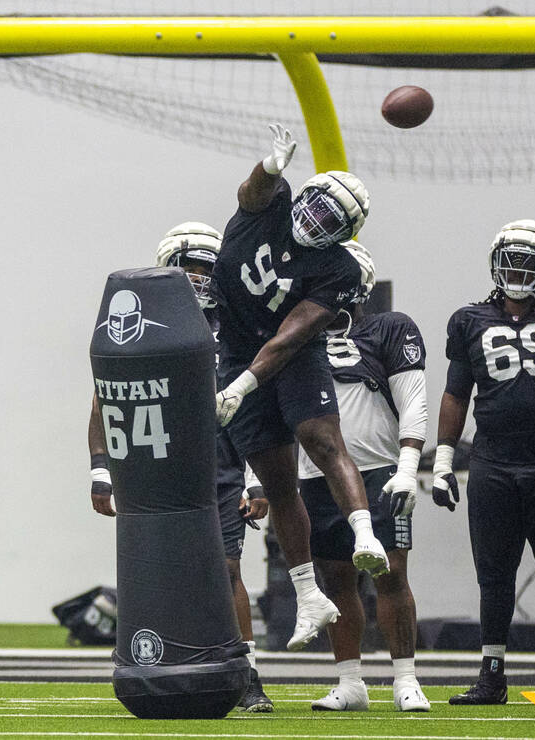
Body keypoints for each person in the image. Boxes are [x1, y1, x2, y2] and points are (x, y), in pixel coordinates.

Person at [211, 123, 389, 654]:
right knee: (280, 484)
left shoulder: (336, 267)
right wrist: (270, 165)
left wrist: (242, 386)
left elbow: (290, 338)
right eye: (314, 207)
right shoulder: (271, 205)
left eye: (330, 221)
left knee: (323, 441)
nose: (313, 222)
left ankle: (364, 534)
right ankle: (308, 594)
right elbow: (251, 193)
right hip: (238, 348)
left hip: (289, 356)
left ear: (344, 233)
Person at [87, 222, 273, 712]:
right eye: (187, 269)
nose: (197, 279)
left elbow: (256, 414)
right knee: (154, 565)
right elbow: (106, 398)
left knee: (227, 566)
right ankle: (153, 654)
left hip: (220, 462)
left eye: (206, 270)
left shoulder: (234, 334)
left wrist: (256, 477)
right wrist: (101, 470)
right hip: (157, 465)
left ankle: (245, 671)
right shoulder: (148, 333)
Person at [430, 220, 535, 705]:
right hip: (494, 457)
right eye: (510, 259)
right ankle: (492, 674)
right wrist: (443, 460)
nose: (516, 270)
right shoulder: (469, 318)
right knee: (494, 571)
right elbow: (456, 394)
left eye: (527, 261)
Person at [296, 243, 431, 713]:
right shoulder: (296, 332)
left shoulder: (388, 328)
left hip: (379, 471)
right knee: (336, 582)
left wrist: (410, 469)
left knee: (391, 575)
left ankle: (406, 678)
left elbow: (413, 399)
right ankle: (350, 681)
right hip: (315, 475)